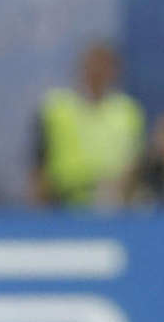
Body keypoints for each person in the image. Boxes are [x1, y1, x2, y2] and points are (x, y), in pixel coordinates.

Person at [32, 43, 144, 208]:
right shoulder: (56, 107)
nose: (98, 71)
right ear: (81, 67)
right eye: (93, 64)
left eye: (105, 65)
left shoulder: (128, 111)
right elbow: (39, 158)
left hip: (115, 205)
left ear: (115, 71)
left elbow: (136, 160)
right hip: (63, 203)